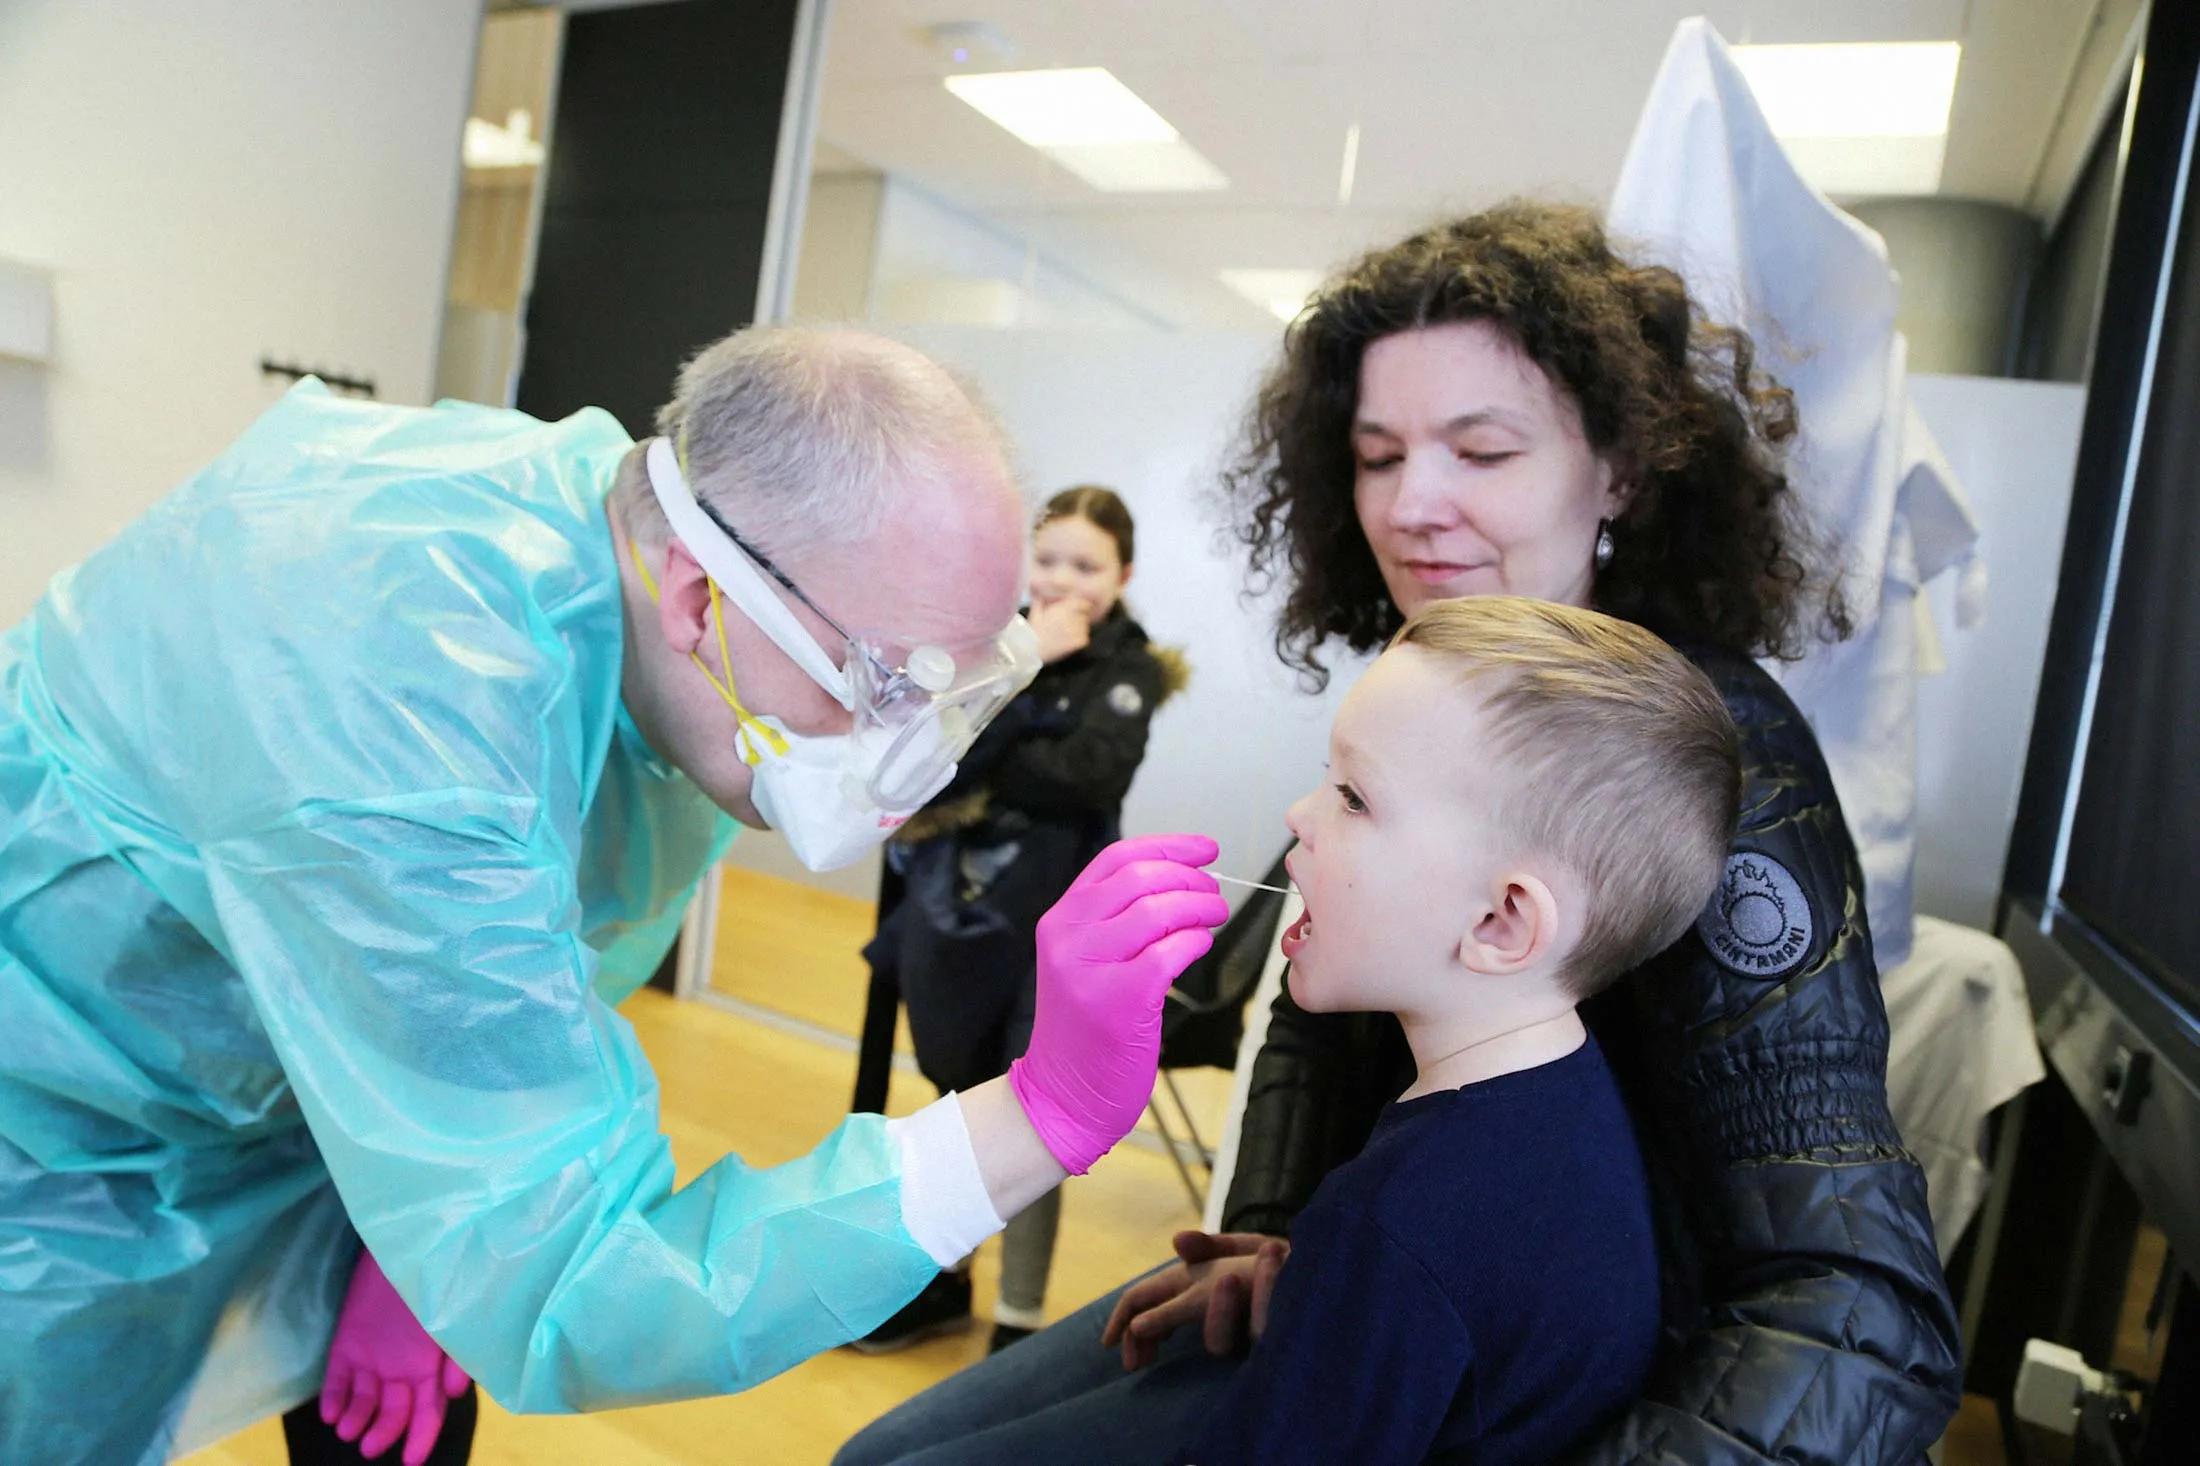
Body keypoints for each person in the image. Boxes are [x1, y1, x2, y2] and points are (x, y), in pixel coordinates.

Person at [838, 202, 1962, 1465]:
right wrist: (1269, 1239)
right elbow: (1323, 1023)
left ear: (1625, 470)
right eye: (1377, 456)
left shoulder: (1707, 762)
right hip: (1379, 1293)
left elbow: (1856, 1319)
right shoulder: (1448, 684)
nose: (1414, 504)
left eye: (1481, 451)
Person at [0, 325, 1231, 1465]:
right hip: (72, 1110)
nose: (926, 762)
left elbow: (522, 990)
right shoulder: (406, 726)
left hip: (335, 1071)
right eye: (891, 688)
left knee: (406, 1407)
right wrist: (1036, 1112)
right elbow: (577, 1273)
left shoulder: (648, 590)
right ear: (700, 596)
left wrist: (408, 1241)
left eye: (966, 690)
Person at [839, 595, 1742, 1466]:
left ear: (1502, 922)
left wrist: (1344, 1291)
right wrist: (1311, 1283)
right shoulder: (1558, 1105)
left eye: (1353, 797)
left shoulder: (1396, 1226)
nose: (1298, 817)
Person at [857, 486, 1187, 1356]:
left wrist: (1002, 728)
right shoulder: (997, 648)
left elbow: (1084, 779)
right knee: (956, 1098)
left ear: (1123, 576)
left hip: (1060, 927)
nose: (1064, 581)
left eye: (1087, 566)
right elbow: (936, 770)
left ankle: (1018, 1321)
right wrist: (1022, 670)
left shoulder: (1131, 669)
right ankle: (946, 1287)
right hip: (960, 907)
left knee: (1039, 1116)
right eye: (1048, 561)